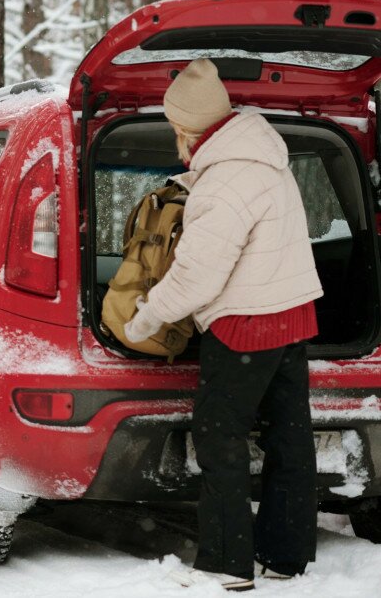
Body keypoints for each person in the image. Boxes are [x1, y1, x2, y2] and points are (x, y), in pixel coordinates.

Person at [124, 58, 323, 591]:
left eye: (174, 129)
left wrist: (148, 317)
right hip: (292, 316)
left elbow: (196, 276)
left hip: (245, 326)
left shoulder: (223, 183)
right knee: (289, 437)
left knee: (219, 439)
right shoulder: (265, 159)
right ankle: (286, 554)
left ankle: (225, 563)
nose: (174, 140)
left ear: (188, 128)